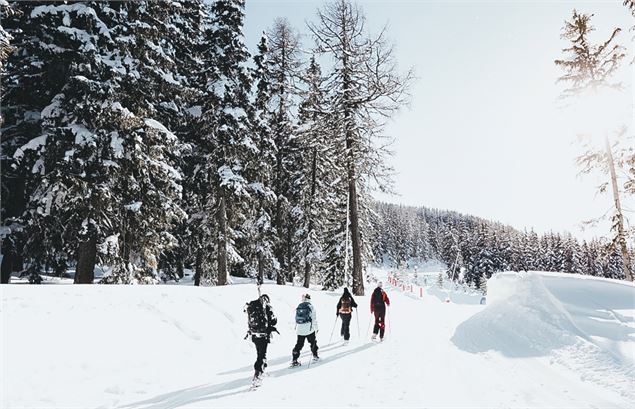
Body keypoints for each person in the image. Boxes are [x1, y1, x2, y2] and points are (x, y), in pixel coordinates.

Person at [244, 294, 278, 384]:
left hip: (254, 334)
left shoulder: (253, 306)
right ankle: (257, 375)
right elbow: (274, 321)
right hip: (263, 335)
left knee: (259, 353)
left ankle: (262, 371)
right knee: (261, 355)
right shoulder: (266, 307)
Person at [290, 293, 319, 367]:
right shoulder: (311, 306)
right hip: (309, 329)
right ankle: (315, 356)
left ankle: (294, 360)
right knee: (313, 342)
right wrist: (316, 328)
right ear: (309, 299)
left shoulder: (299, 306)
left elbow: (296, 318)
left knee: (299, 345)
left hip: (300, 330)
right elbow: (314, 319)